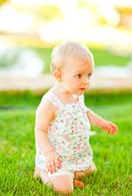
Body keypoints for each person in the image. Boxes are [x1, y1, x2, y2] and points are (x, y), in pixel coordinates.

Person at [34, 41, 118, 194]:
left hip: (75, 154)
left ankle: (68, 173)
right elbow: (40, 131)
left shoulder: (77, 94)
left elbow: (84, 111)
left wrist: (101, 122)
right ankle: (44, 172)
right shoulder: (50, 103)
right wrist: (49, 153)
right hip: (57, 157)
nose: (85, 81)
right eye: (79, 75)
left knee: (91, 170)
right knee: (65, 190)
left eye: (89, 75)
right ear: (59, 76)